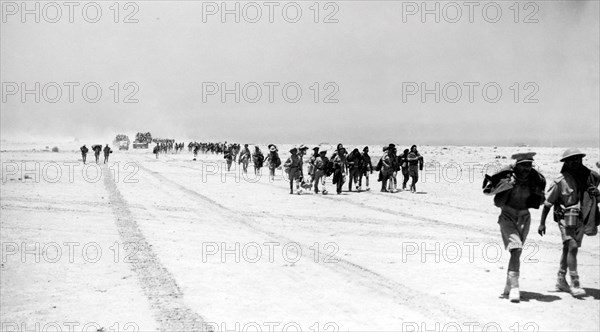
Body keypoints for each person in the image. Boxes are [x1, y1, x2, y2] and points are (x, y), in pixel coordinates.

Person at [482, 152, 546, 303]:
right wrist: (504, 185)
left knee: (515, 252)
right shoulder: (506, 177)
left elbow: (542, 200)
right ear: (516, 165)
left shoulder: (535, 180)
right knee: (516, 249)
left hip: (525, 217)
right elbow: (487, 191)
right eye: (523, 165)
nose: (527, 168)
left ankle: (508, 285)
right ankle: (515, 288)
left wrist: (539, 195)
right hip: (507, 216)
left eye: (529, 165)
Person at [538, 148, 600, 298]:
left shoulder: (590, 177)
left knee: (569, 249)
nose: (575, 162)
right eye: (571, 160)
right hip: (565, 218)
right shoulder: (560, 181)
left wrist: (598, 195)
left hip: (582, 218)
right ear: (565, 162)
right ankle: (575, 283)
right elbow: (547, 204)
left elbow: (594, 199)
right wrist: (542, 223)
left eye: (577, 159)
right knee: (572, 246)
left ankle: (561, 279)